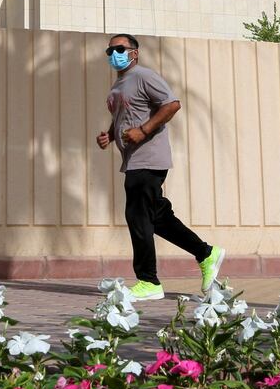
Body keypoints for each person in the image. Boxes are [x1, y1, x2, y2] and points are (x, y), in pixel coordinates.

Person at [96, 33, 225, 300]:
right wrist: (109, 135)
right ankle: (206, 253)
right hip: (132, 159)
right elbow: (123, 116)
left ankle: (149, 281)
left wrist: (143, 131)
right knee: (157, 216)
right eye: (110, 51)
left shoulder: (144, 76)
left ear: (134, 52)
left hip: (149, 157)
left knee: (137, 215)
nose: (114, 54)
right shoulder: (118, 86)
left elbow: (172, 104)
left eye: (119, 49)